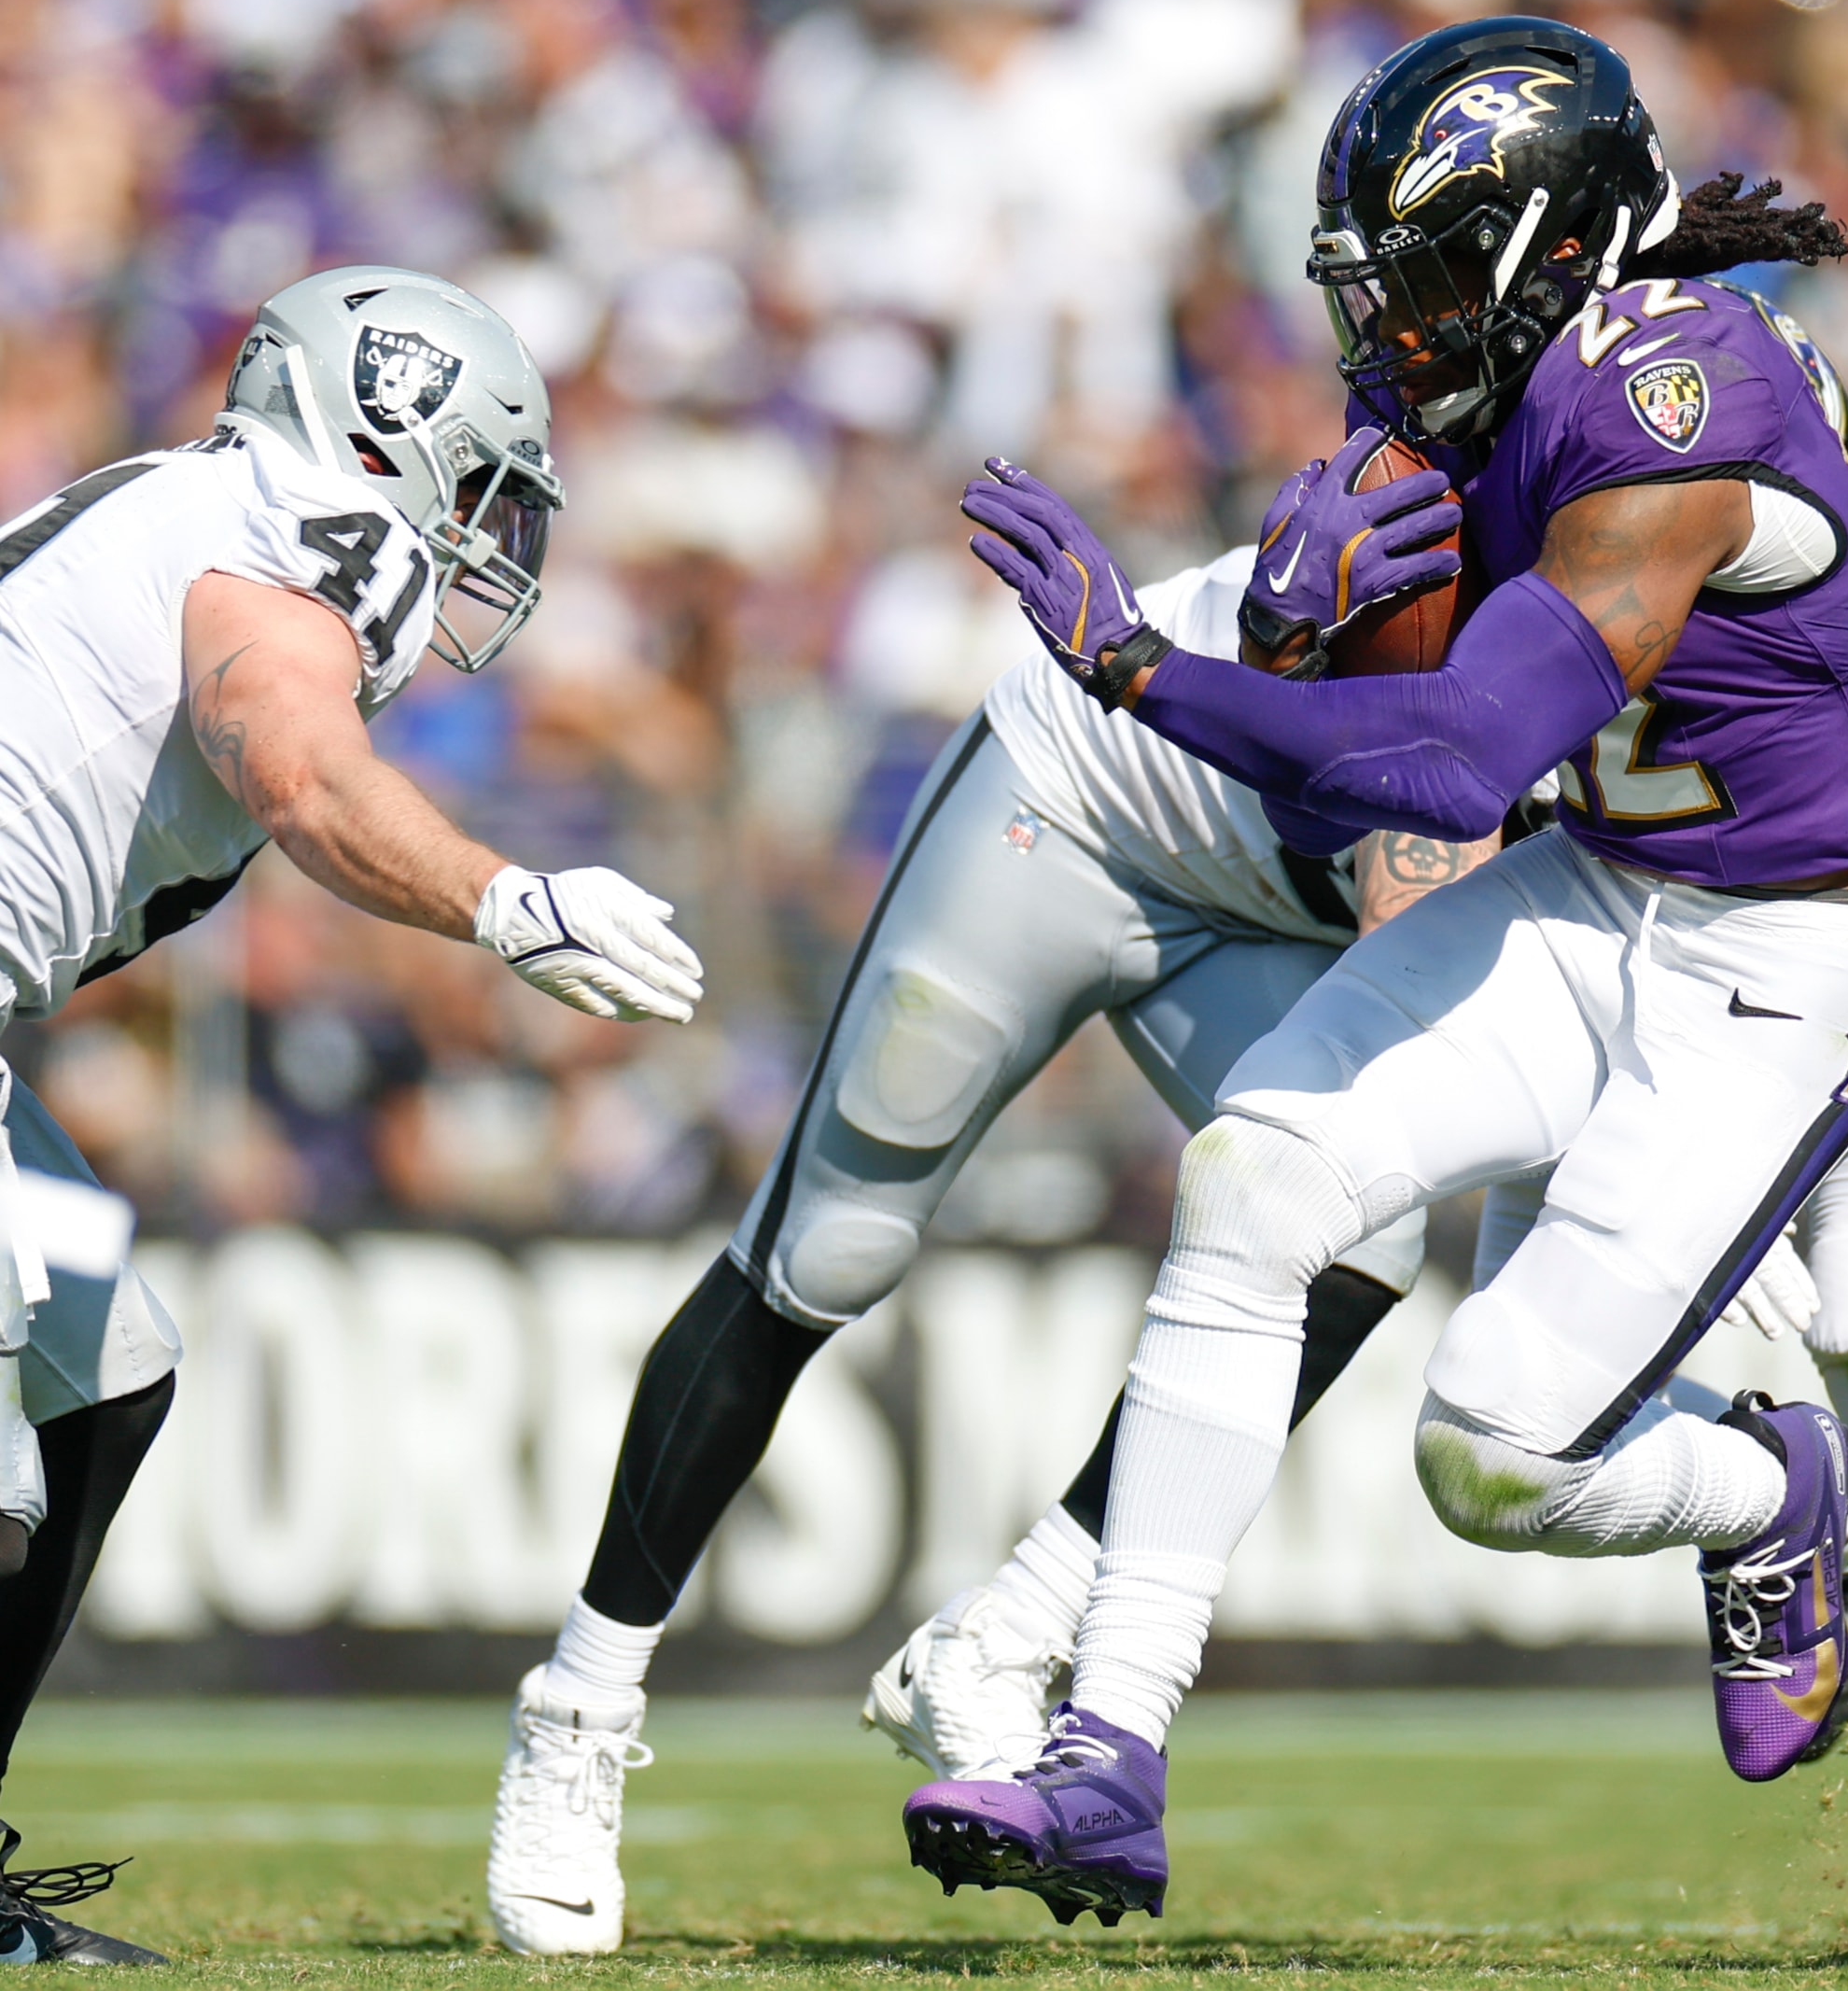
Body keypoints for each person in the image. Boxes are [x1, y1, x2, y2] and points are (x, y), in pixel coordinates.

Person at [903, 14, 1848, 1927]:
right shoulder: (1525, 363)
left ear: (1547, 253)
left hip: (1783, 960)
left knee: (1489, 1457)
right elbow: (1421, 721)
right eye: (1367, 280)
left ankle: (1778, 1487)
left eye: (1411, 276)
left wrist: (1147, 666)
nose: (1383, 323)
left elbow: (1456, 762)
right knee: (1254, 1178)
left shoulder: (1672, 398)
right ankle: (1110, 1754)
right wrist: (1308, 640)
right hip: (1609, 881)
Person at [480, 536, 1472, 1956]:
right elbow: (1430, 938)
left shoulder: (1689, 670)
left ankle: (1002, 1633)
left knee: (1363, 1232)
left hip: (1256, 901)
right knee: (828, 1251)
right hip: (1072, 807)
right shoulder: (1495, 591)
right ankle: (578, 1709)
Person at [0, 264, 694, 1964]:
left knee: (106, 1372)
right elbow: (291, 760)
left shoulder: (178, 503)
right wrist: (504, 899)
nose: (484, 541)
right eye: (478, 485)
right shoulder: (314, 529)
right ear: (383, 435)